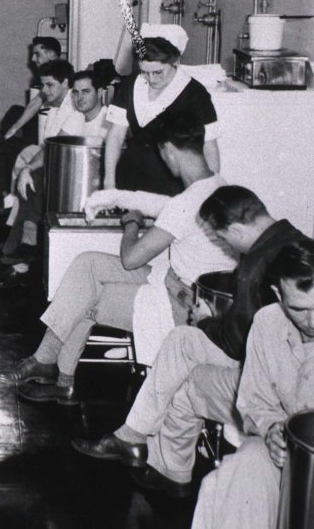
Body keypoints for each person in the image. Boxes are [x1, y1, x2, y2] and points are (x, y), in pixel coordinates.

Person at [71, 186, 308, 498]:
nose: (226, 245)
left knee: (185, 366)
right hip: (287, 362)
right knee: (181, 341)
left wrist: (205, 320)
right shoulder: (297, 240)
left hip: (273, 378)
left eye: (223, 238)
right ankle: (135, 438)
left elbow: (237, 342)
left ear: (235, 229)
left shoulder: (254, 265)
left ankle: (161, 462)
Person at [6, 112, 236, 404]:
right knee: (87, 264)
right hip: (184, 286)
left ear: (168, 150)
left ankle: (61, 379)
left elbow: (131, 259)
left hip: (180, 304)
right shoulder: (217, 185)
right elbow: (168, 208)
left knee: (87, 299)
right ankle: (46, 362)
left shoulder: (186, 203)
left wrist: (132, 225)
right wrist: (120, 199)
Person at [191, 239, 314, 529]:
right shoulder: (267, 323)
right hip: (289, 453)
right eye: (299, 309)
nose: (313, 321)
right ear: (277, 294)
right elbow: (255, 402)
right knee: (231, 475)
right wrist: (272, 430)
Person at [0, 68, 111, 289]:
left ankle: (24, 256)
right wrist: (28, 168)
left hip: (96, 184)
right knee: (33, 177)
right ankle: (26, 250)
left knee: (38, 185)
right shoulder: (77, 117)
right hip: (74, 177)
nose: (79, 98)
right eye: (76, 92)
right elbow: (50, 148)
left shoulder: (110, 120)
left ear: (100, 92)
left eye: (86, 92)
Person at [104, 36, 220, 196]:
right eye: (145, 72)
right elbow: (115, 136)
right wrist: (109, 182)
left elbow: (209, 146)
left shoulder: (195, 94)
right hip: (129, 176)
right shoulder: (131, 85)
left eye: (158, 72)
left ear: (175, 63)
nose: (152, 79)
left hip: (171, 185)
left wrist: (210, 192)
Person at [0, 37, 63, 213]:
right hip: (44, 121)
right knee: (15, 113)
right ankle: (6, 192)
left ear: (51, 54)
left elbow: (39, 106)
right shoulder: (48, 75)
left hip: (56, 129)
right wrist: (14, 128)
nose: (33, 59)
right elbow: (35, 103)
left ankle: (8, 196)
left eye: (37, 54)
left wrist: (15, 129)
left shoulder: (60, 76)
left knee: (15, 146)